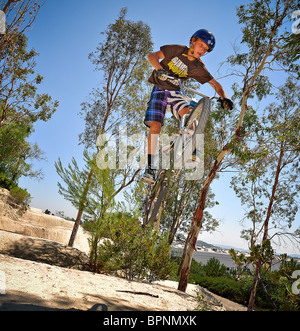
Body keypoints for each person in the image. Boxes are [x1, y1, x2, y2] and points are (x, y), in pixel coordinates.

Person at [142, 29, 233, 184]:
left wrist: (225, 98)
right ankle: (150, 167)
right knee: (156, 125)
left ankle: (191, 149)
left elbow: (215, 84)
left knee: (190, 117)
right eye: (201, 45)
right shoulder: (177, 50)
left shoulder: (198, 67)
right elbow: (152, 56)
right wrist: (159, 69)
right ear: (193, 41)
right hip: (159, 89)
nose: (202, 50)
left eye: (206, 49)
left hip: (175, 93)